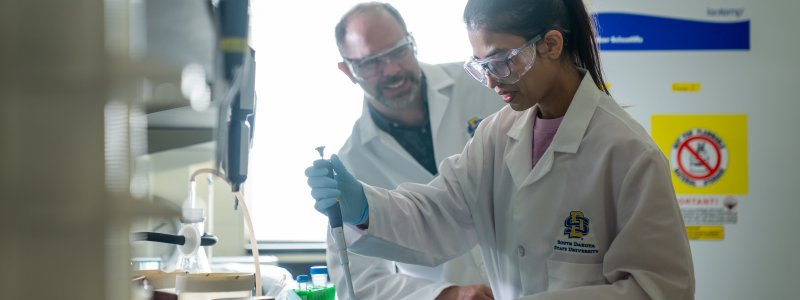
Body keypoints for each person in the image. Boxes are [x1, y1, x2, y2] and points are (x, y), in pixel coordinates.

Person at [307, 0, 696, 299]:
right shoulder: (498, 134)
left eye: (501, 62)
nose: (492, 83)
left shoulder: (628, 153)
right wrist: (365, 210)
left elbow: (659, 289)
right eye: (481, 66)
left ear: (551, 45)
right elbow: (441, 214)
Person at [324, 2, 505, 300]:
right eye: (372, 62)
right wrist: (447, 295)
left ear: (413, 42)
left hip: (532, 284)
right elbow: (357, 282)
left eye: (399, 51)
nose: (393, 70)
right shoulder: (351, 163)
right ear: (348, 71)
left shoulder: (482, 83)